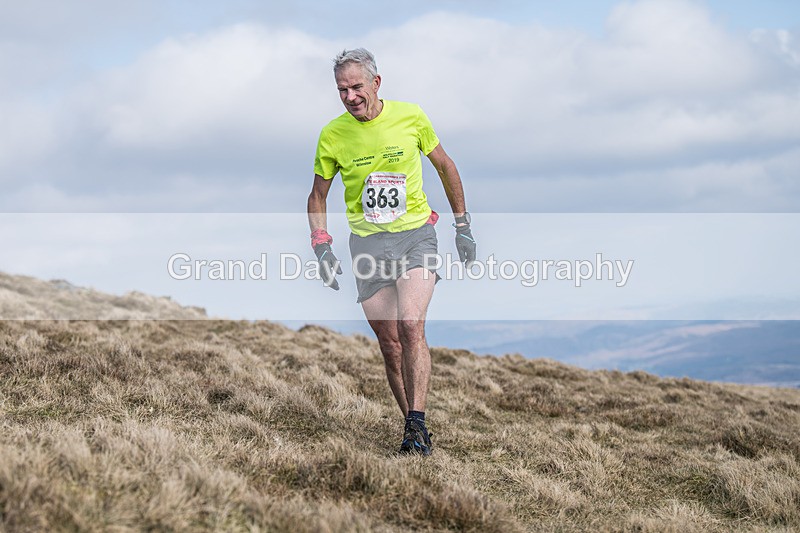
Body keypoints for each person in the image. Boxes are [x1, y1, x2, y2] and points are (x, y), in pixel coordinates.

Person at [306, 48, 476, 456]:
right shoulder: (333, 135)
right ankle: (413, 427)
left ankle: (416, 426)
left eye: (356, 87)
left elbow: (446, 167)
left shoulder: (411, 117)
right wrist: (321, 247)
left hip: (416, 236)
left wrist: (463, 226)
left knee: (410, 324)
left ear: (376, 84)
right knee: (389, 342)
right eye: (341, 90)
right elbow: (317, 195)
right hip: (366, 245)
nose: (349, 96)